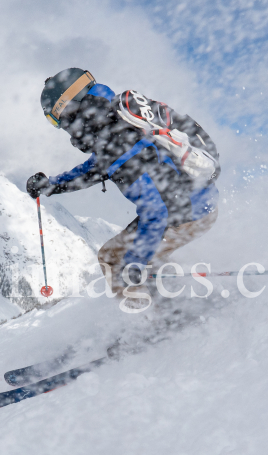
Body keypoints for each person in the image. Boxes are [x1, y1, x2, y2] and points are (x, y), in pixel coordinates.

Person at [26, 68, 220, 298]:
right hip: (197, 201)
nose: (61, 127)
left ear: (68, 108)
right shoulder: (118, 118)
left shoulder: (115, 144)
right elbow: (93, 169)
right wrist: (52, 185)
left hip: (185, 215)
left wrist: (135, 264)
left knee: (114, 260)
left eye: (55, 120)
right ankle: (174, 297)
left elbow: (155, 213)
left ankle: (152, 322)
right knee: (134, 257)